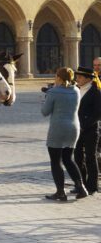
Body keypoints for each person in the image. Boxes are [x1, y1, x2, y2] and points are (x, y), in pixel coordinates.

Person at [41, 67, 87, 201]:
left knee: (56, 161)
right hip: (73, 128)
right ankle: (81, 187)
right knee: (68, 159)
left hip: (58, 128)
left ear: (59, 78)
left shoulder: (54, 92)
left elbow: (45, 111)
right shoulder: (76, 90)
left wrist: (47, 96)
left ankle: (60, 192)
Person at [73, 66, 101, 195]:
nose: (77, 79)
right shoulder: (76, 90)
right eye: (76, 76)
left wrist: (84, 125)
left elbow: (98, 113)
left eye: (79, 77)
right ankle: (80, 184)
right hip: (77, 129)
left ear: (88, 79)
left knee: (90, 157)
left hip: (90, 130)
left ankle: (92, 185)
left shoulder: (96, 92)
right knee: (78, 157)